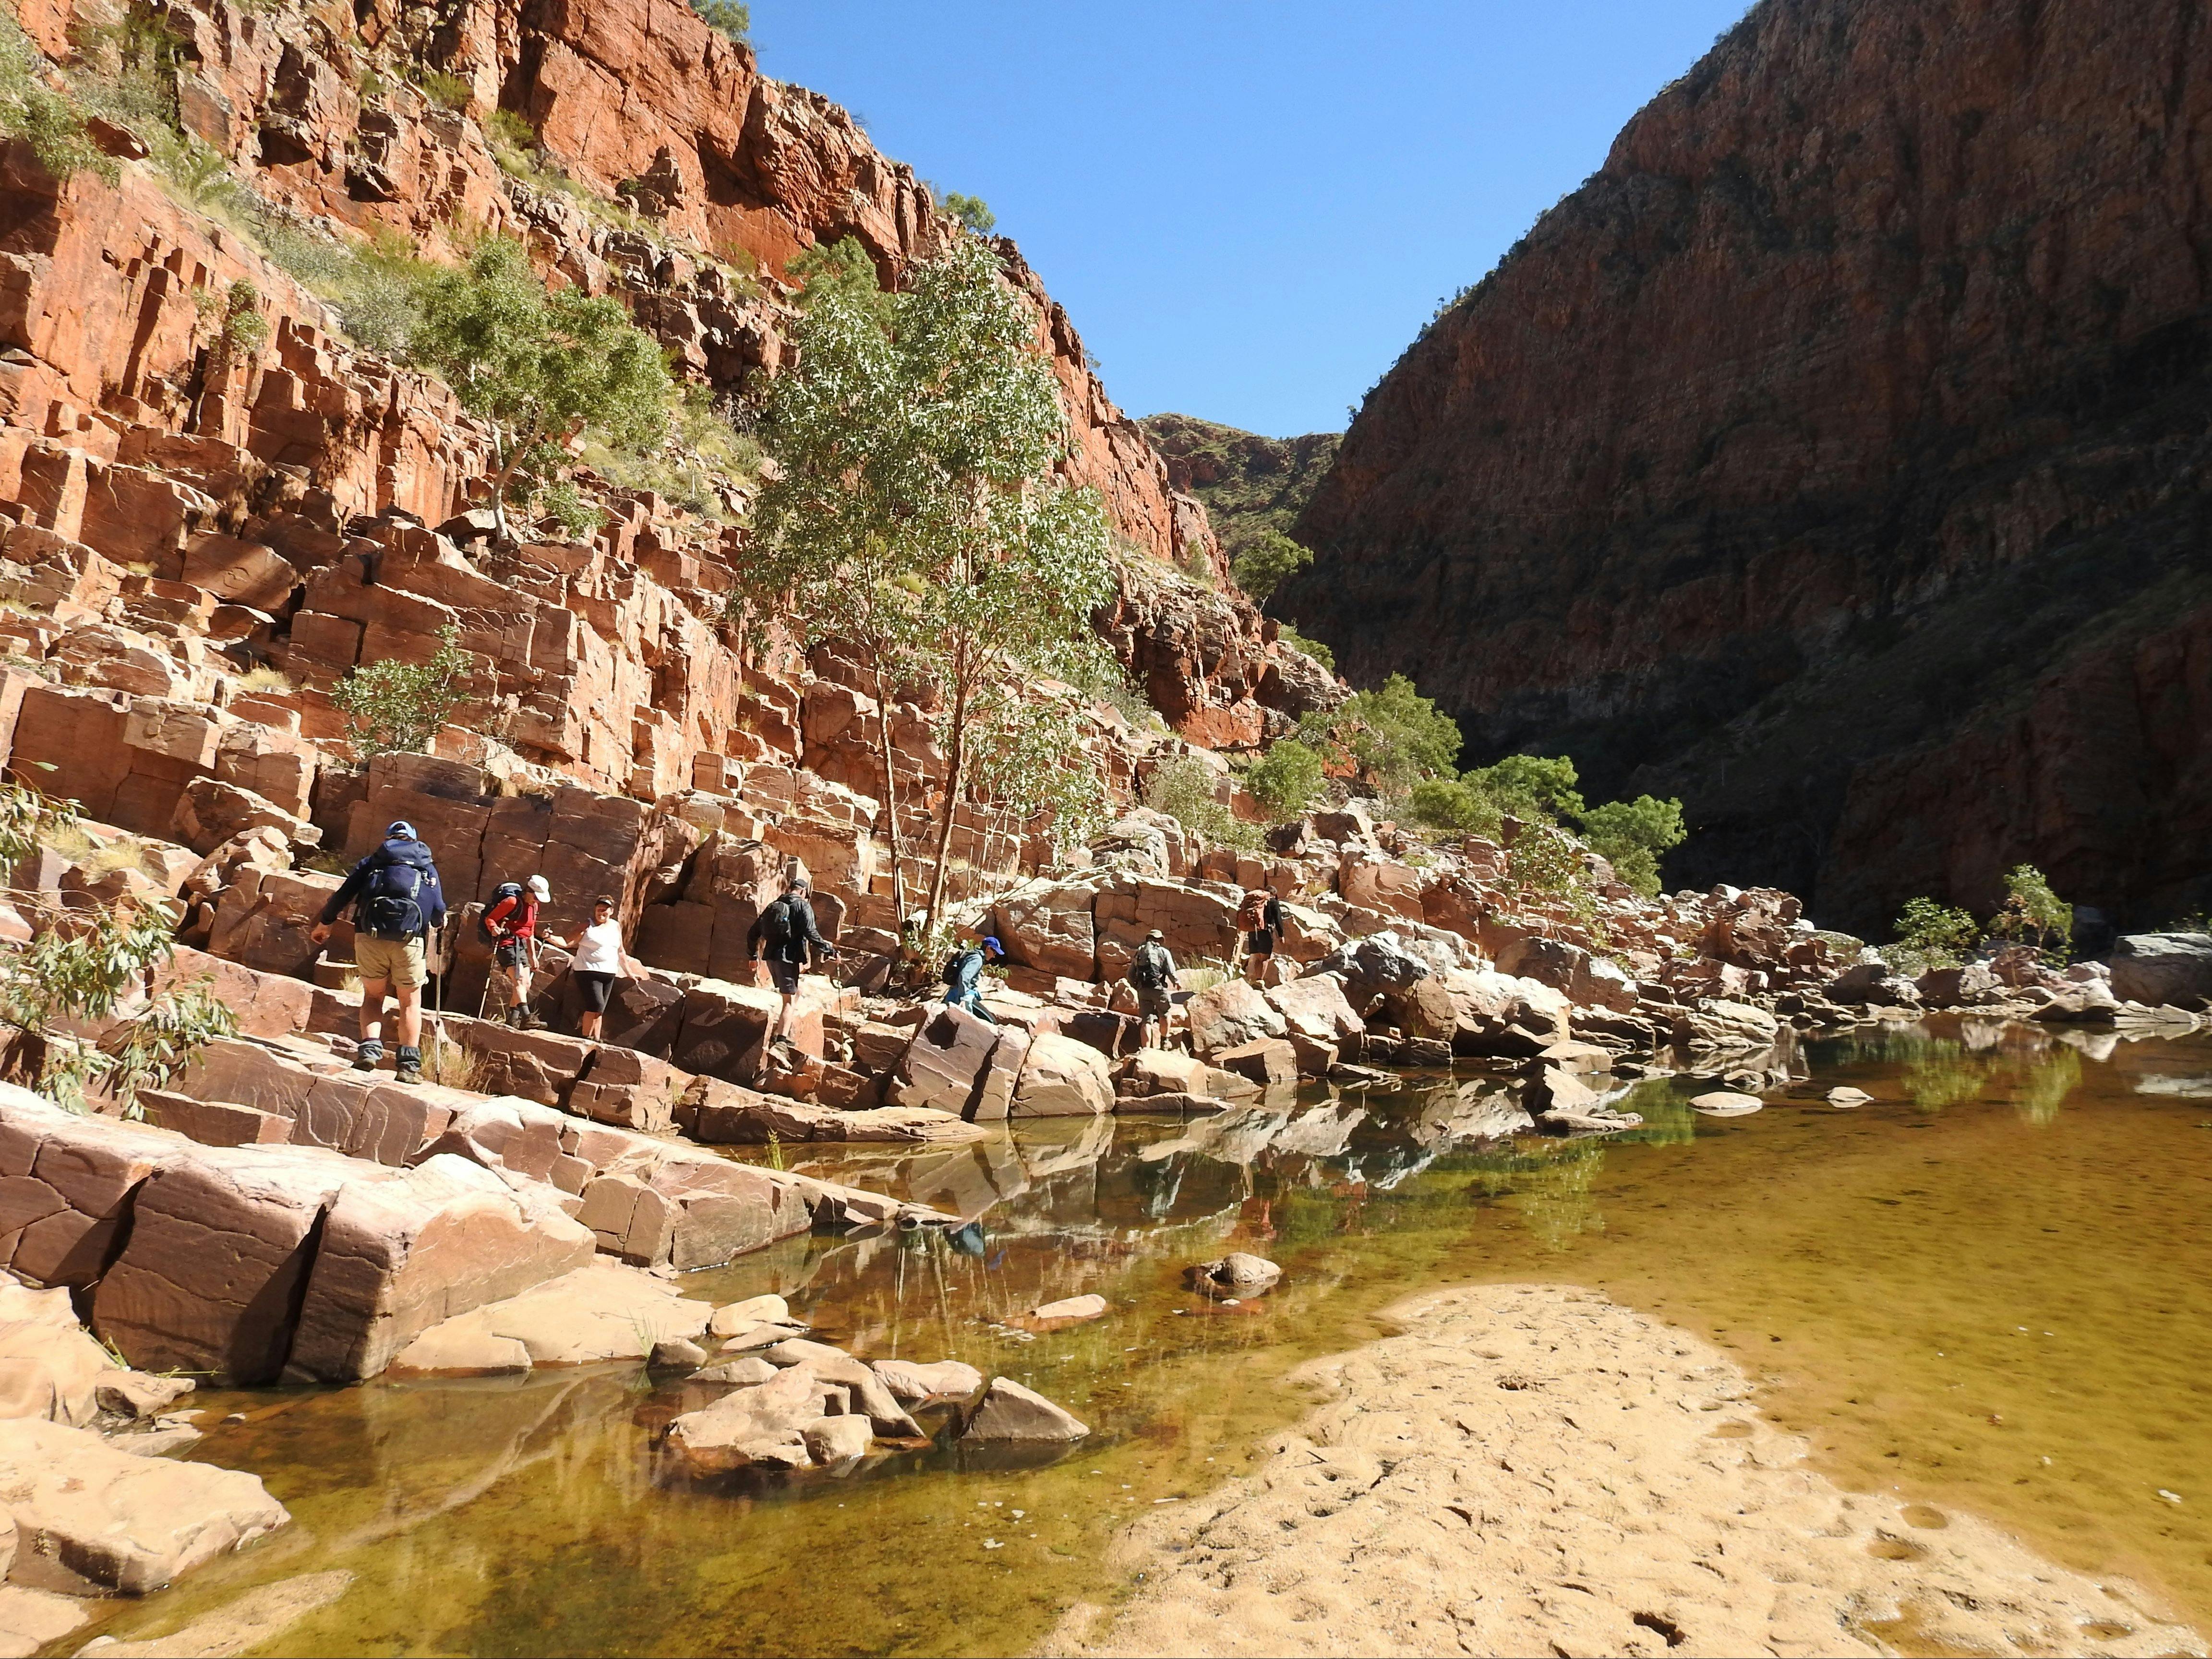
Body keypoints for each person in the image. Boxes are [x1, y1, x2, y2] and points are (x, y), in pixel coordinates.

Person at [311, 820, 448, 1084]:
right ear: (413, 840)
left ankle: (370, 1052)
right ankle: (408, 1067)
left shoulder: (372, 863)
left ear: (388, 839)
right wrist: (438, 921)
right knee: (409, 1002)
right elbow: (439, 908)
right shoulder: (426, 867)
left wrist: (325, 923)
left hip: (369, 936)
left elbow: (343, 895)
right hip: (410, 940)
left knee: (374, 996)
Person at [747, 874, 833, 1049]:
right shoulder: (803, 906)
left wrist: (753, 957)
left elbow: (753, 932)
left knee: (796, 992)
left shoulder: (773, 906)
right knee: (789, 999)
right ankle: (781, 1042)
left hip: (771, 958)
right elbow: (811, 933)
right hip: (788, 959)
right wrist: (829, 950)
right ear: (803, 891)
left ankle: (782, 1030)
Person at [549, 894, 642, 1042]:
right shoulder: (587, 925)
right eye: (599, 910)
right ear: (595, 910)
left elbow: (621, 951)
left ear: (611, 911)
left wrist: (629, 973)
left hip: (609, 973)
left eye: (605, 910)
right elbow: (567, 942)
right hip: (587, 971)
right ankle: (585, 1039)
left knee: (600, 1010)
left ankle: (597, 1040)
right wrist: (550, 937)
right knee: (596, 1005)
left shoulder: (615, 926)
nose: (601, 913)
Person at [480, 873, 551, 1029]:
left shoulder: (534, 907)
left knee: (526, 984)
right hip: (507, 943)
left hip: (521, 947)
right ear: (529, 891)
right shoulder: (512, 902)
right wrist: (494, 929)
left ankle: (513, 1019)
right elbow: (490, 919)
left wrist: (532, 955)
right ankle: (527, 1017)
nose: (537, 901)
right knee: (518, 980)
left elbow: (530, 931)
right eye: (536, 897)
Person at [1127, 927, 1182, 1050]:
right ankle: (1164, 1042)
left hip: (1143, 990)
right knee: (1165, 1014)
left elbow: (1130, 975)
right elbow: (1171, 970)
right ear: (1160, 940)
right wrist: (1176, 982)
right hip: (1159, 988)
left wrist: (1138, 988)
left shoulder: (1139, 953)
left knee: (1146, 1021)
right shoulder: (1164, 952)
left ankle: (1145, 1050)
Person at [943, 932, 1004, 1023]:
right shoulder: (977, 959)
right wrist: (963, 997)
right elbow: (964, 976)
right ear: (988, 948)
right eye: (994, 952)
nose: (994, 956)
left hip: (956, 991)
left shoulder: (975, 955)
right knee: (991, 1021)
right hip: (960, 994)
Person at [1238, 887, 1286, 985]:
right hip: (1265, 932)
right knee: (1265, 958)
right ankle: (1260, 981)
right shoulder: (1273, 902)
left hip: (1252, 931)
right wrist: (1281, 935)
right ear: (1274, 894)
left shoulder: (1256, 902)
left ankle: (1253, 980)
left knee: (1255, 956)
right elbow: (1278, 918)